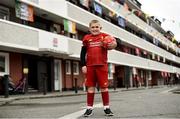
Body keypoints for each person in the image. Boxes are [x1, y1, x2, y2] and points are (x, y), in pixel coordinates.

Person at [80, 19, 117, 117]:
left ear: (100, 28)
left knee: (104, 87)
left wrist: (114, 44)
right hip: (90, 66)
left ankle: (106, 108)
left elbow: (115, 42)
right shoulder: (86, 38)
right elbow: (83, 52)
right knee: (90, 88)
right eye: (93, 27)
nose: (95, 29)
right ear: (89, 28)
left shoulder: (105, 36)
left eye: (97, 27)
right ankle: (89, 109)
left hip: (102, 66)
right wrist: (83, 65)